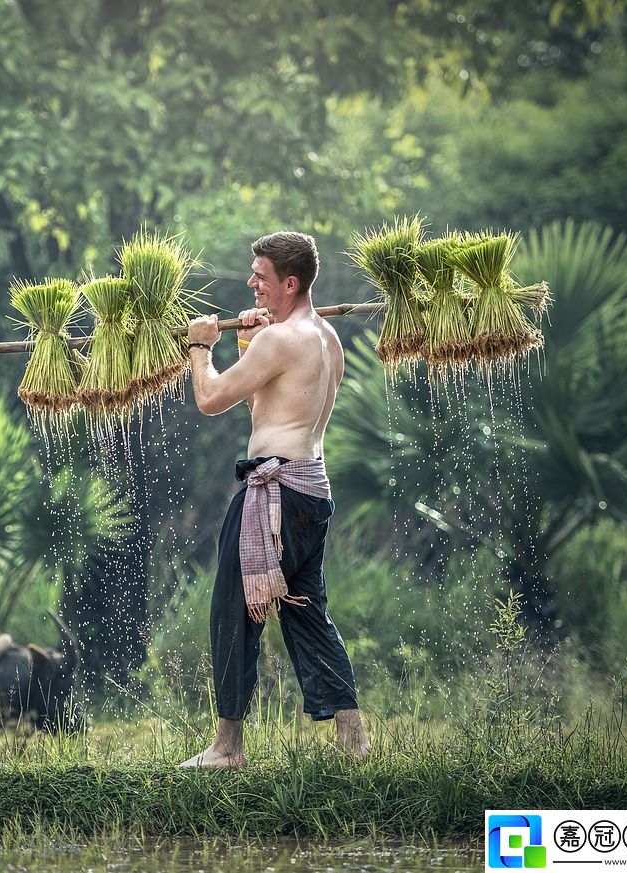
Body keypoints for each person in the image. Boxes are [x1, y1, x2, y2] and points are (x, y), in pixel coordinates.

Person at [179, 231, 371, 768]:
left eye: (260, 276)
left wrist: (200, 344)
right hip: (312, 492)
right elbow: (270, 407)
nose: (250, 283)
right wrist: (246, 344)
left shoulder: (280, 341)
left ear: (290, 283)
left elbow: (212, 398)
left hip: (274, 495)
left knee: (232, 612)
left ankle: (227, 747)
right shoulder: (325, 338)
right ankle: (354, 742)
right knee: (308, 614)